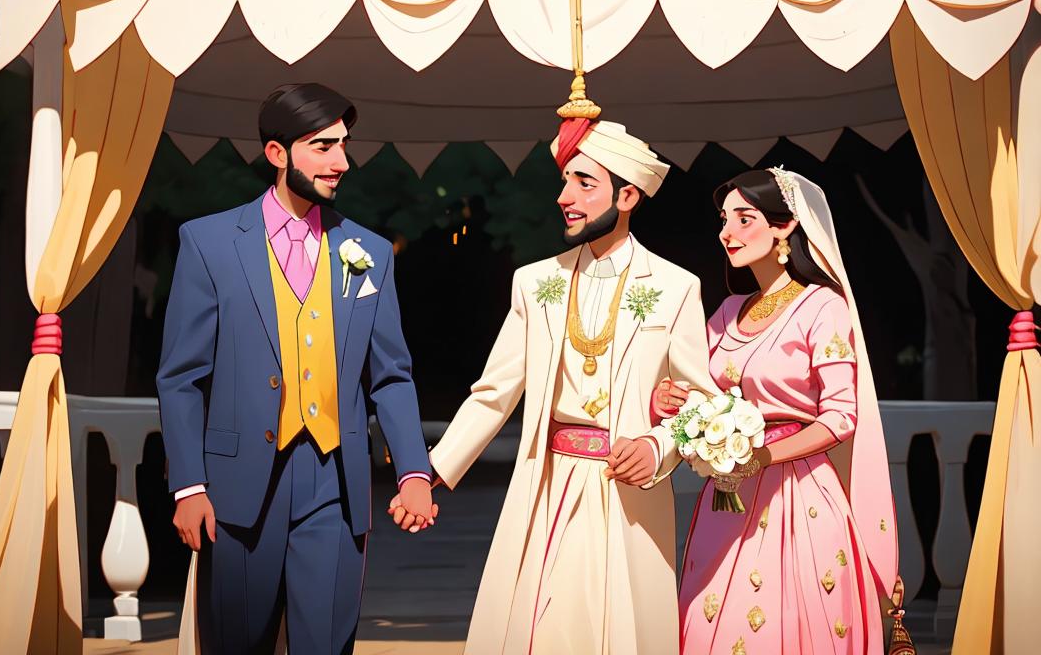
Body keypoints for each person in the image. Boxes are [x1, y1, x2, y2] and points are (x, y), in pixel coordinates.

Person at [392, 117, 717, 653]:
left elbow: (700, 397)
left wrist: (658, 445)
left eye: (585, 183)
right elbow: (494, 393)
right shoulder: (535, 281)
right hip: (547, 486)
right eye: (565, 181)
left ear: (628, 194)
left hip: (628, 491)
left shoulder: (676, 287)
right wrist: (430, 474)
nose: (565, 197)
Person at [157, 83, 435, 655]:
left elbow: (392, 376)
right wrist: (189, 485)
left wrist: (413, 473)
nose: (341, 162)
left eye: (343, 146)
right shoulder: (208, 242)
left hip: (333, 484)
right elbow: (181, 377)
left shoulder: (369, 251)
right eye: (322, 146)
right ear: (278, 154)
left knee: (328, 646)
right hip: (236, 490)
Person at [654, 168, 898, 655]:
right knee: (708, 627)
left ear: (785, 226)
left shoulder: (821, 306)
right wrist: (670, 399)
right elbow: (697, 392)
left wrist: (763, 457)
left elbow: (840, 416)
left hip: (800, 492)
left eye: (744, 219)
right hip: (726, 495)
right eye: (723, 220)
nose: (727, 232)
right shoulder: (727, 311)